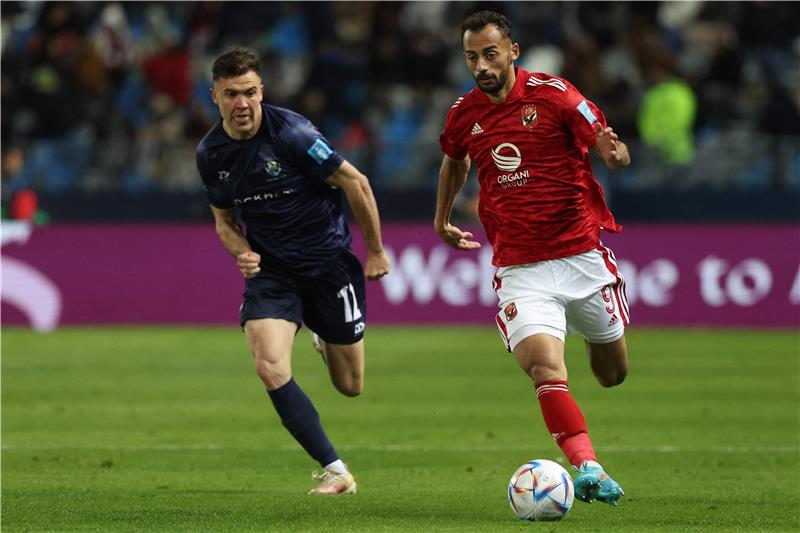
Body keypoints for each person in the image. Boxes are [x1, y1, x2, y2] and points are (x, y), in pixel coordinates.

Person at [435, 11, 630, 506]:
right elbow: (454, 160)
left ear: (513, 51)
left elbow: (606, 142)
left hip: (581, 256)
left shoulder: (555, 94)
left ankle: (589, 332)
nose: (481, 65)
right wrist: (441, 219)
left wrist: (615, 154)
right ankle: (588, 467)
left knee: (612, 375)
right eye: (472, 57)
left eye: (490, 54)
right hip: (520, 268)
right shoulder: (463, 114)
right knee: (546, 369)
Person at [196, 47, 390, 495]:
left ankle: (321, 334)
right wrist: (242, 251)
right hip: (272, 271)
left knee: (350, 385)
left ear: (262, 91)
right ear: (215, 96)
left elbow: (356, 183)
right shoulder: (211, 154)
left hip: (327, 264)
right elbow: (224, 222)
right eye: (231, 94)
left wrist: (376, 251)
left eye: (249, 92)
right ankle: (336, 470)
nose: (242, 103)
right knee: (268, 365)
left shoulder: (294, 134)